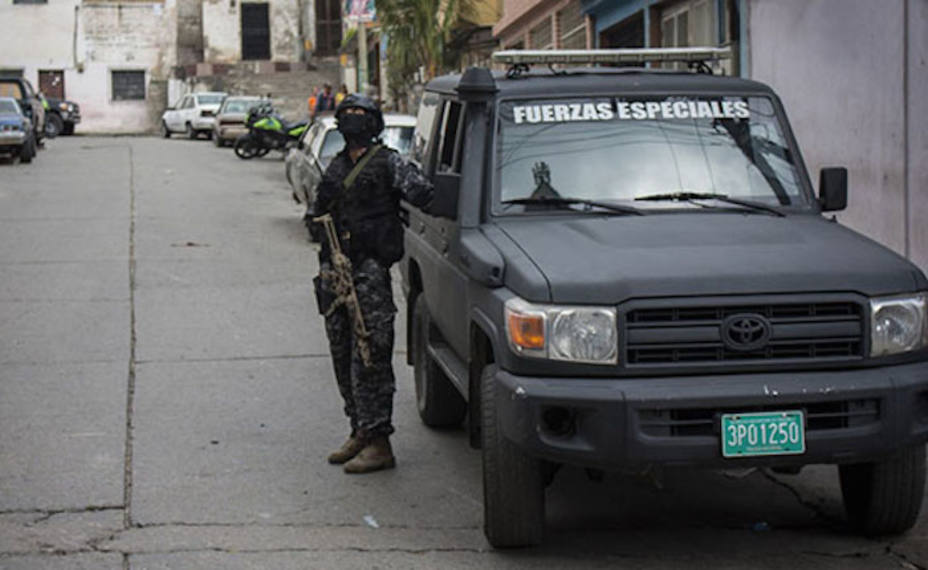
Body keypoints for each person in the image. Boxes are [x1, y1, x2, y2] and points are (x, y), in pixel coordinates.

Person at [311, 94, 432, 474]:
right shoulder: (336, 164)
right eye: (345, 115)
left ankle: (380, 441)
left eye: (359, 115)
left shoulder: (389, 162)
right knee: (342, 354)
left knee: (370, 357)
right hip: (337, 273)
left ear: (373, 122)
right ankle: (359, 429)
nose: (351, 120)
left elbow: (425, 194)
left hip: (369, 275)